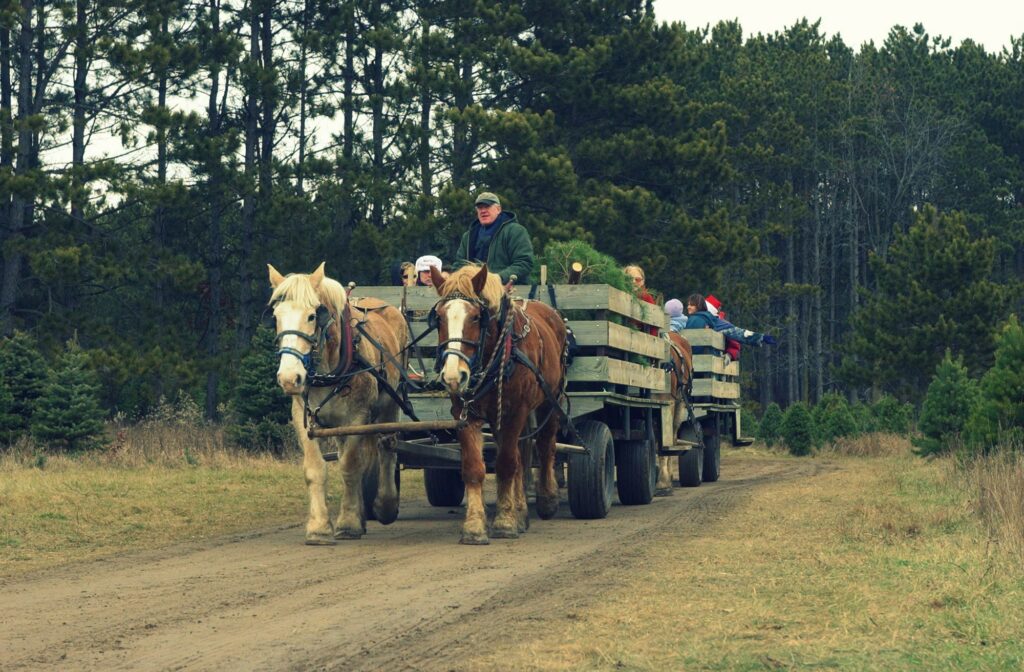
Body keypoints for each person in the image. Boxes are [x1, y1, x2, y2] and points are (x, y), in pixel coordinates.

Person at [454, 192, 534, 284]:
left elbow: (524, 263)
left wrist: (498, 278)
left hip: (509, 291)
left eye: (487, 206)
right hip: (472, 292)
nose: (483, 211)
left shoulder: (515, 231)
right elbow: (459, 265)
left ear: (498, 209)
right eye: (480, 208)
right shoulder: (468, 236)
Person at [684, 293, 777, 348]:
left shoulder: (713, 321)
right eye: (688, 304)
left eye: (691, 305)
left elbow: (737, 333)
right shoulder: (687, 320)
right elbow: (738, 333)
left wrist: (760, 337)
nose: (688, 307)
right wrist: (761, 337)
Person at [705, 294, 740, 365]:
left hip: (717, 362)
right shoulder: (700, 322)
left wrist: (729, 355)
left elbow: (735, 345)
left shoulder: (725, 325)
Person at [624, 264, 658, 336]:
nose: (633, 282)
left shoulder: (646, 297)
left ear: (643, 281)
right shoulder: (619, 294)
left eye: (637, 279)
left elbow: (654, 324)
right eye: (629, 279)